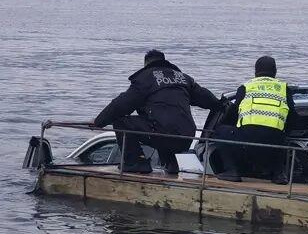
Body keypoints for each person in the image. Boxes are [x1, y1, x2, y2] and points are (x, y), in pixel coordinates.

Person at [93, 50, 222, 175]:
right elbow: (208, 99)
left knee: (123, 122)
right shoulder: (183, 79)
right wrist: (222, 104)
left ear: (146, 64)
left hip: (162, 132)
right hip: (187, 135)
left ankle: (136, 163)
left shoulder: (145, 78)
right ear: (164, 61)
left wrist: (99, 122)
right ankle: (171, 165)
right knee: (164, 121)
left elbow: (121, 105)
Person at [211, 56, 296, 184]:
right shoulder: (284, 89)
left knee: (220, 130)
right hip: (274, 142)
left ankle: (232, 171)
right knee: (282, 137)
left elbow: (233, 115)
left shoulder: (246, 87)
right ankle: (279, 175)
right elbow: (292, 117)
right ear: (275, 71)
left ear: (255, 71)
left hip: (247, 142)